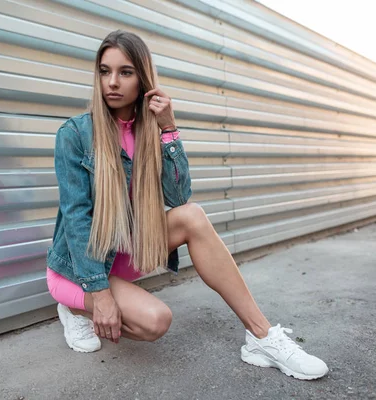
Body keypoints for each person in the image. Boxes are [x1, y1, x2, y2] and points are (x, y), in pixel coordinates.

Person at [45, 30, 328, 381]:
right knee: (155, 322)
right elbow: (75, 219)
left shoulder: (149, 130)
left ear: (143, 79)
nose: (113, 82)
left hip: (126, 251)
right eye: (105, 71)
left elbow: (178, 200)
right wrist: (98, 294)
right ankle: (75, 307)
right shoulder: (74, 134)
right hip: (79, 267)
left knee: (192, 216)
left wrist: (168, 129)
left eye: (125, 72)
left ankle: (261, 336)